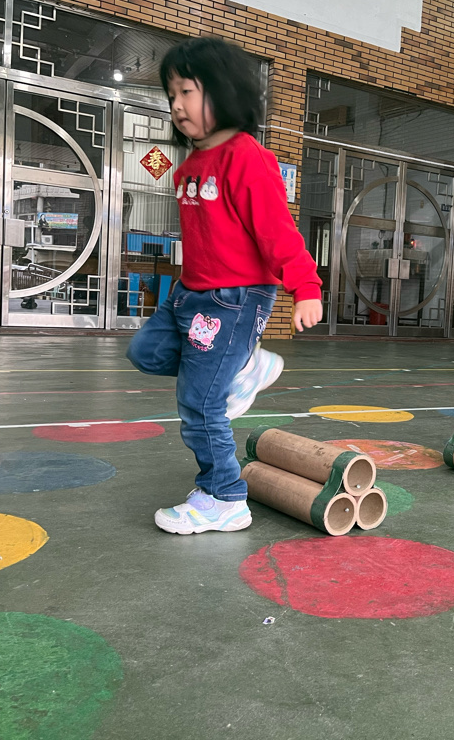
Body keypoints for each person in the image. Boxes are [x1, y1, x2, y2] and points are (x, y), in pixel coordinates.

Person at [127, 37, 323, 534]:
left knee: (200, 403)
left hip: (233, 300)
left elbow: (278, 231)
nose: (176, 105)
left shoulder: (247, 158)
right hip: (189, 293)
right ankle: (243, 364)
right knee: (145, 352)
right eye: (171, 94)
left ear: (223, 91)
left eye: (187, 92)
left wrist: (305, 286)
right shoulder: (190, 166)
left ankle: (224, 497)